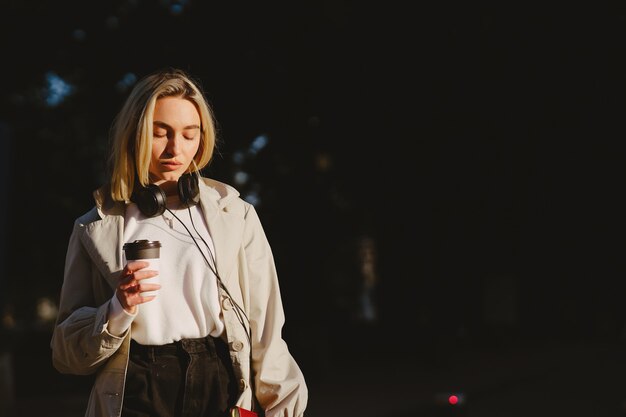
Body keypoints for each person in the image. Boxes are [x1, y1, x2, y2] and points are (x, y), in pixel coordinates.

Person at [50, 67, 308, 417]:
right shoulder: (95, 226)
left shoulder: (237, 216)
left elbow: (266, 329)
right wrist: (117, 308)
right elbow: (66, 353)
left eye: (190, 134)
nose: (176, 148)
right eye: (161, 133)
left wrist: (283, 408)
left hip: (220, 385)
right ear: (135, 135)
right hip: (135, 389)